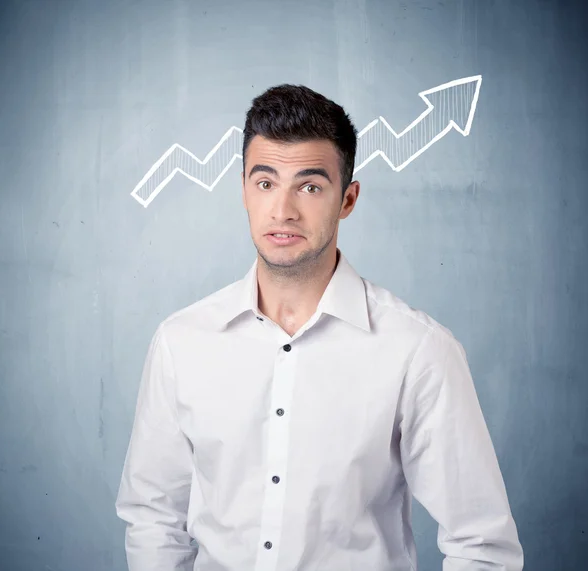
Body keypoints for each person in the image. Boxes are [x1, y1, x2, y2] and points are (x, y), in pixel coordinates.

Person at [115, 84, 524, 571]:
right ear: (243, 190)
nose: (283, 210)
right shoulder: (181, 343)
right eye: (265, 183)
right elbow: (154, 520)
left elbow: (481, 546)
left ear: (347, 199)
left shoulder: (417, 351)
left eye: (309, 186)